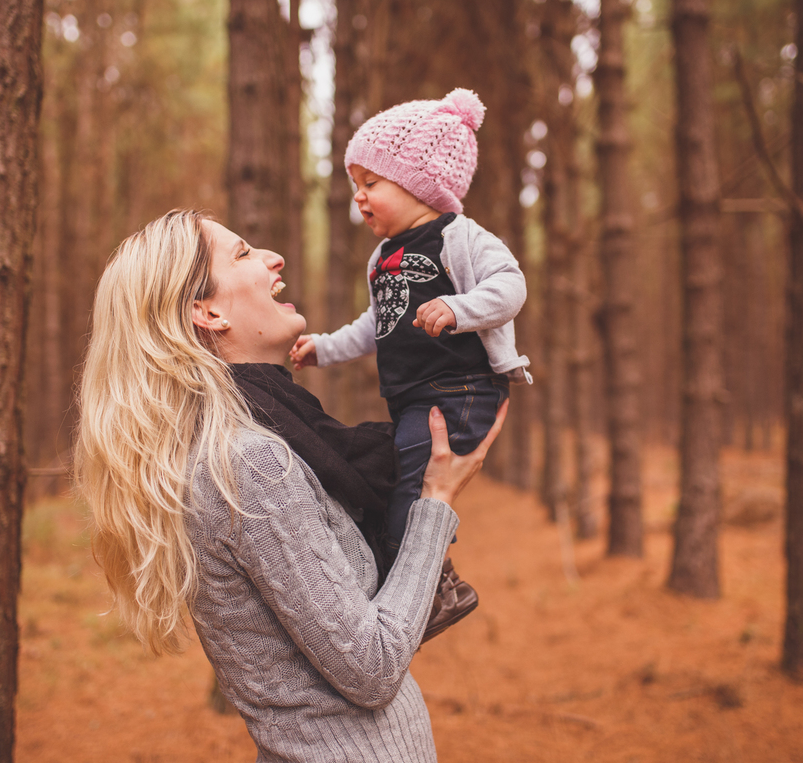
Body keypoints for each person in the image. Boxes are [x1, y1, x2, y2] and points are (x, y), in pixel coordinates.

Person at [75, 209, 507, 762]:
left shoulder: (270, 442)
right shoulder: (250, 466)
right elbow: (371, 668)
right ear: (205, 311)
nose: (273, 258)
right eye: (242, 253)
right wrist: (434, 504)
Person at [290, 88, 530, 637]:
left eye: (371, 183)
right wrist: (325, 347)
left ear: (420, 181)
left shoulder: (460, 237)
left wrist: (457, 307)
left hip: (459, 390)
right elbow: (378, 323)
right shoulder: (382, 258)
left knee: (413, 491)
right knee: (398, 484)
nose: (359, 197)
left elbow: (511, 288)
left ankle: (427, 597)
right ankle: (438, 582)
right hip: (414, 397)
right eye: (355, 186)